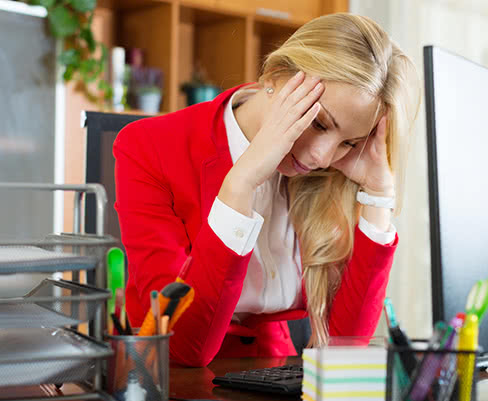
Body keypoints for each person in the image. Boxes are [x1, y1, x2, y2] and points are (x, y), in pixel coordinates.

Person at [113, 12, 419, 367]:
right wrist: (241, 182)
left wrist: (378, 196)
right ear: (276, 76)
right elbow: (183, 348)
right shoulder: (147, 147)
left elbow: (343, 352)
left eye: (349, 143)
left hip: (268, 371)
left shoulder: (332, 174)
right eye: (318, 122)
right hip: (165, 377)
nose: (322, 157)